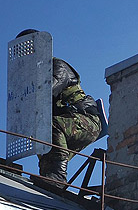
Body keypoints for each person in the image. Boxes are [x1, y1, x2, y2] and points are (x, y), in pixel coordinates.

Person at [18, 30, 103, 185]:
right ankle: (49, 178)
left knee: (49, 126)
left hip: (87, 121)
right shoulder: (36, 76)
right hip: (67, 126)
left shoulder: (57, 66)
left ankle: (57, 178)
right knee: (42, 143)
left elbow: (49, 89)